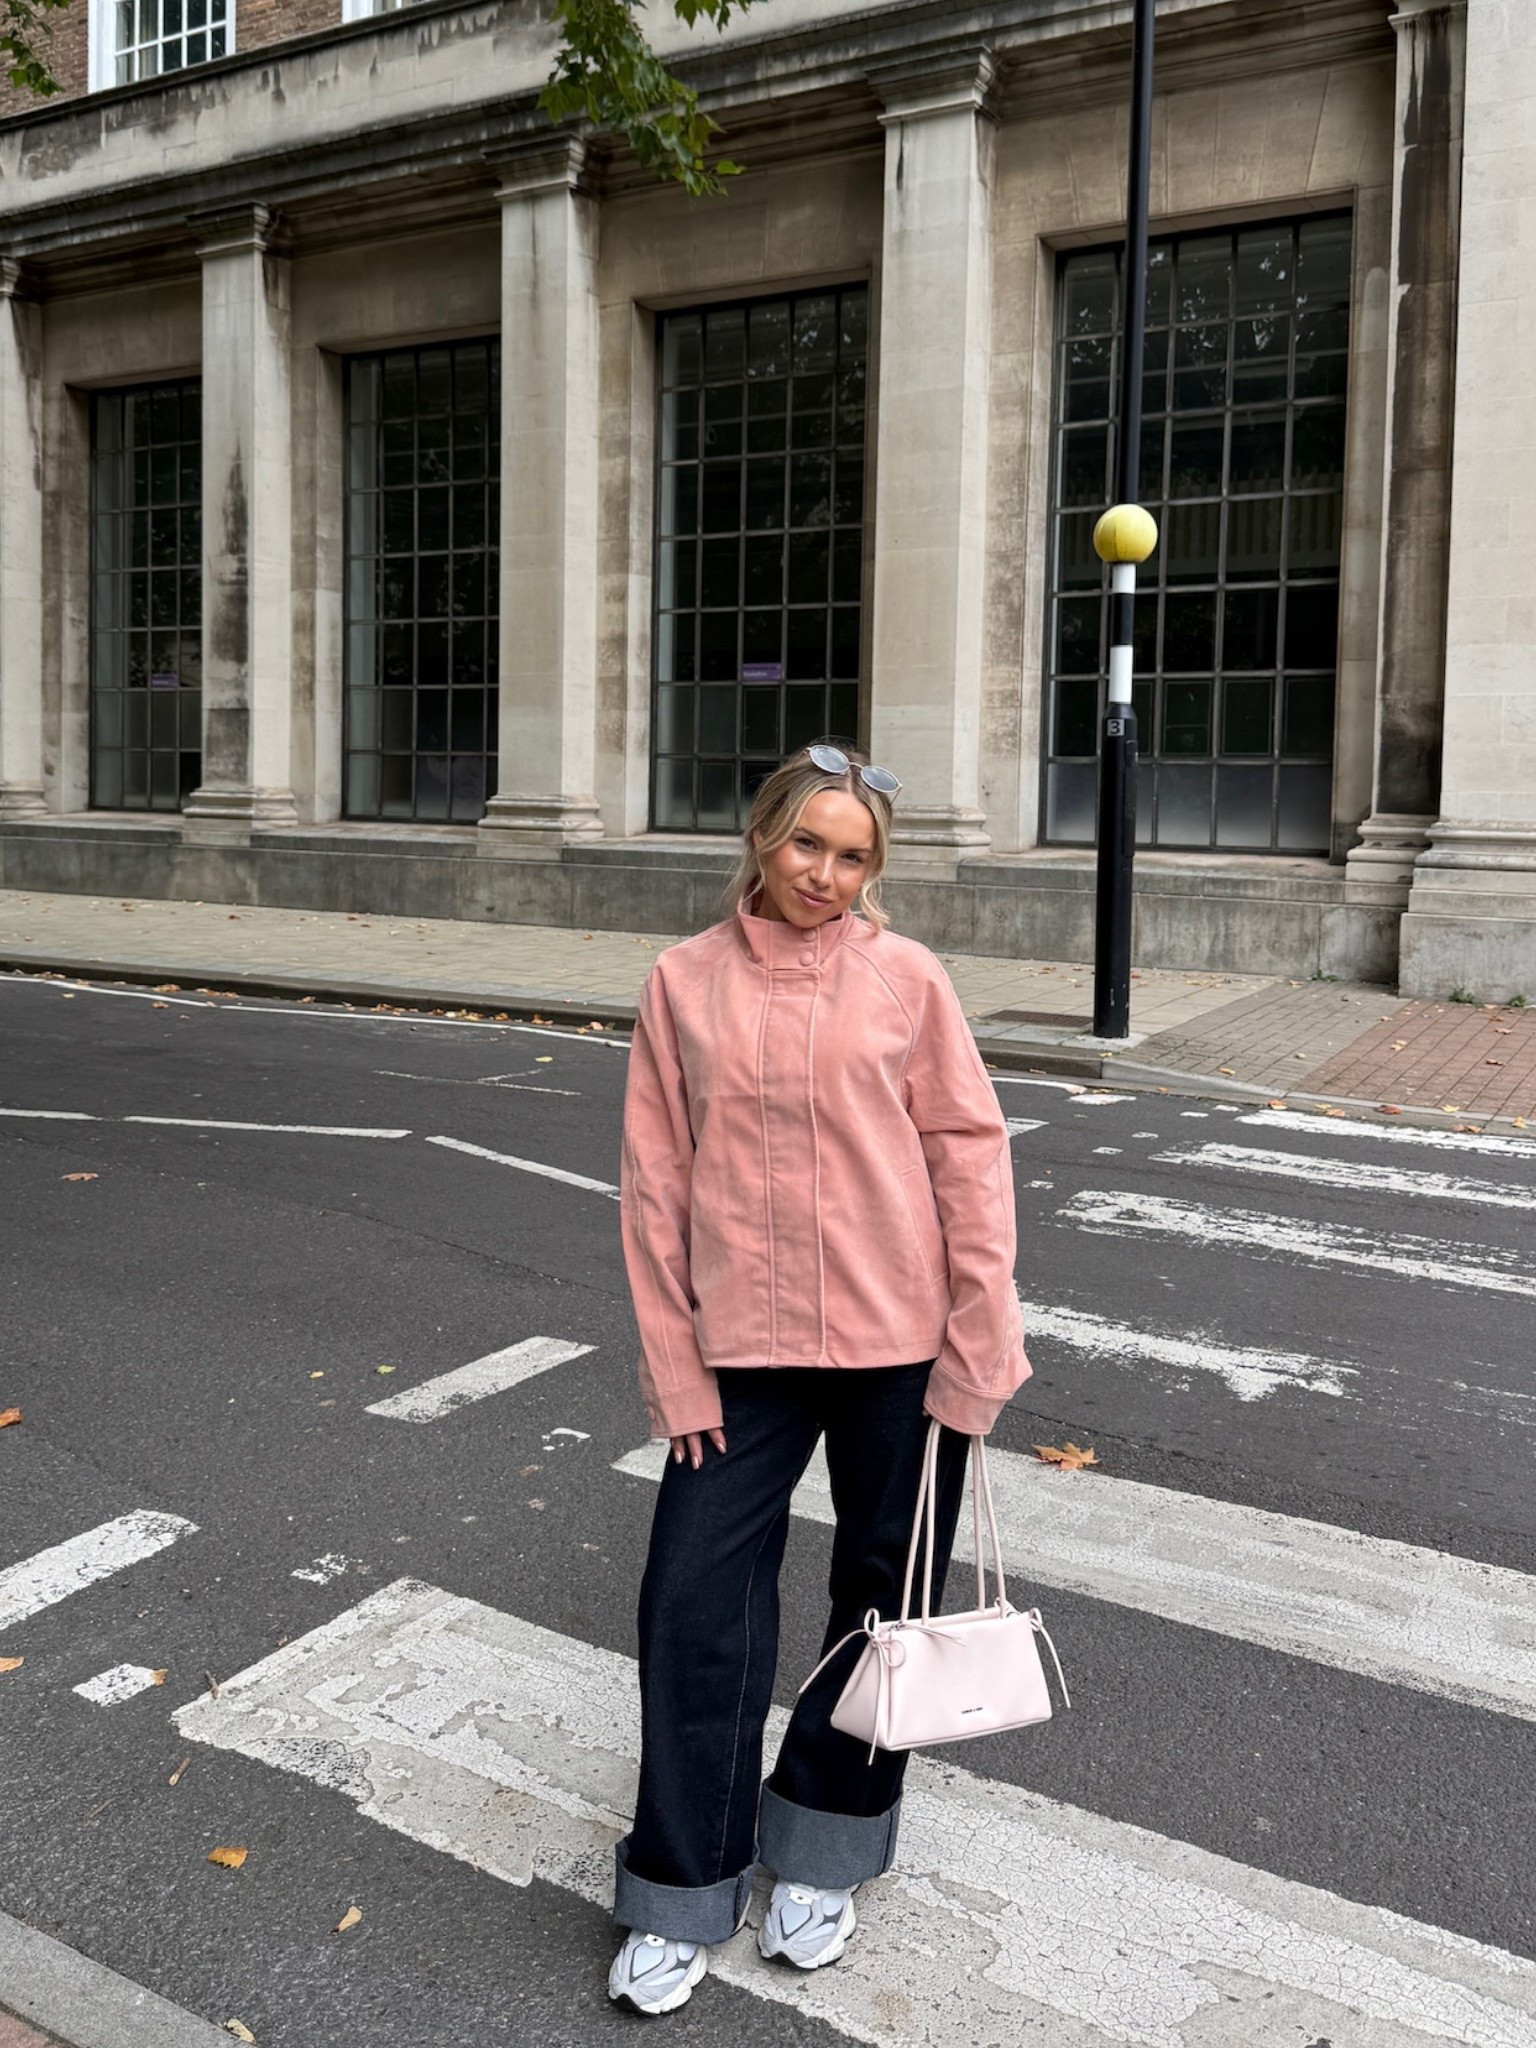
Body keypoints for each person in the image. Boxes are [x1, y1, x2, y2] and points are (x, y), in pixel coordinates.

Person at [608, 740, 1030, 2015]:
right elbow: (654, 1187)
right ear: (764, 836)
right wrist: (675, 1373)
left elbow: (969, 1155)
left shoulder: (908, 979)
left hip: (903, 1346)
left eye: (854, 857)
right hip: (743, 1350)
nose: (828, 876)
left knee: (881, 1599)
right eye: (809, 845)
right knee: (691, 1601)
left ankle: (826, 1844)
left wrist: (980, 1338)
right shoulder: (681, 983)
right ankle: (684, 1884)